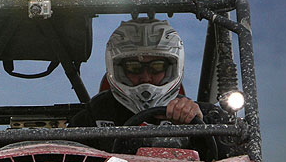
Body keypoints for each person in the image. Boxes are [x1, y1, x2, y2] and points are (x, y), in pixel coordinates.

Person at [69, 19, 202, 129]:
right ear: (119, 70)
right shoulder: (96, 113)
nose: (145, 77)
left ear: (171, 69)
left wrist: (196, 126)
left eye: (157, 67)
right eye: (134, 67)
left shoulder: (193, 113)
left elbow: (220, 153)